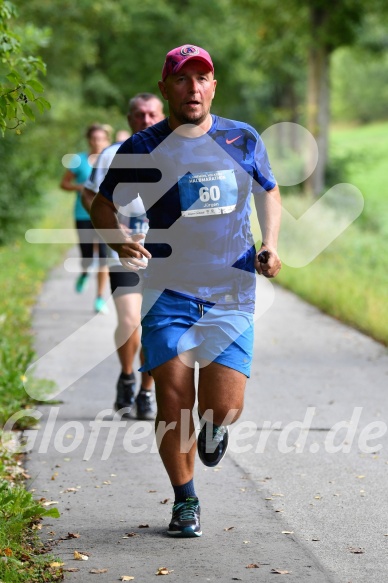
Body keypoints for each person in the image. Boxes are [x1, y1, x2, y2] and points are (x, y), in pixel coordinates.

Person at [90, 45, 282, 537]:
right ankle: (184, 501)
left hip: (231, 289)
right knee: (174, 402)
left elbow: (268, 190)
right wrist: (121, 241)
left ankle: (217, 429)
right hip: (166, 289)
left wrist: (272, 244)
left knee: (224, 406)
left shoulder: (243, 138)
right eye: (182, 79)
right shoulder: (143, 147)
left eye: (202, 78)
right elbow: (104, 206)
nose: (193, 88)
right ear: (165, 88)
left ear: (214, 86)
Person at [82, 94, 165, 420]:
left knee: (154, 327)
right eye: (139, 115)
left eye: (152, 114)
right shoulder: (112, 155)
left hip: (165, 256)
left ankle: (146, 392)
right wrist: (115, 234)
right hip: (125, 253)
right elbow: (90, 194)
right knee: (130, 321)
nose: (146, 120)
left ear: (162, 115)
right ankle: (127, 374)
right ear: (129, 119)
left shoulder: (178, 152)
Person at [60, 123, 111, 313]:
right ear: (89, 140)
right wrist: (80, 187)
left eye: (101, 139)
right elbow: (63, 184)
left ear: (106, 140)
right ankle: (84, 271)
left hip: (106, 215)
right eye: (94, 139)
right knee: (88, 257)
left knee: (104, 258)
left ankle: (99, 298)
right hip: (83, 214)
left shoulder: (111, 160)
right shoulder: (78, 160)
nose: (97, 142)